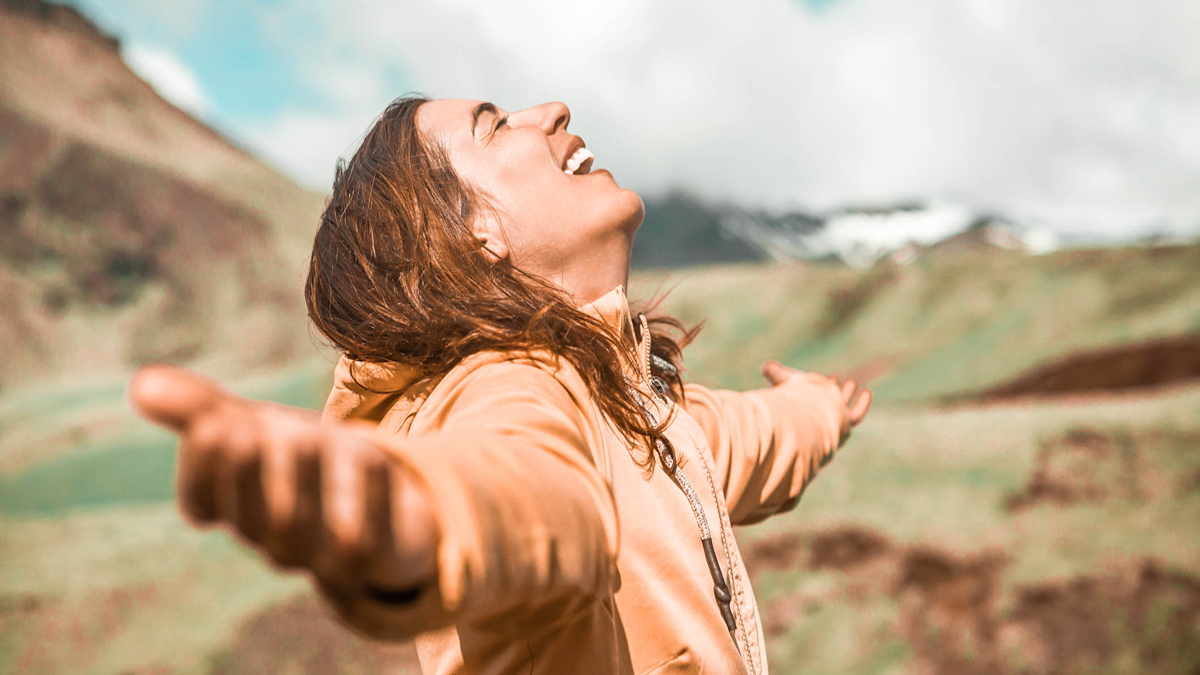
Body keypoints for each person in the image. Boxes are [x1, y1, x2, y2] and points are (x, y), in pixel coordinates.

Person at [128, 96, 871, 674]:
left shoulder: (630, 406)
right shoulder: (509, 386)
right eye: (494, 124)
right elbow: (519, 491)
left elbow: (743, 438)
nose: (551, 110)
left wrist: (819, 405)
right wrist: (411, 514)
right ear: (471, 231)